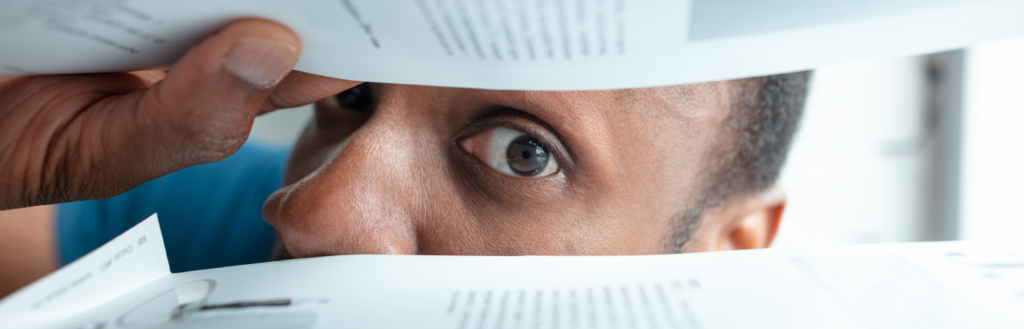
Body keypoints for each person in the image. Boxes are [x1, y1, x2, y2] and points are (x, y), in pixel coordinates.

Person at [0, 19, 809, 297]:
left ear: (725, 255)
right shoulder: (218, 242)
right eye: (350, 97)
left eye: (524, 151)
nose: (311, 213)